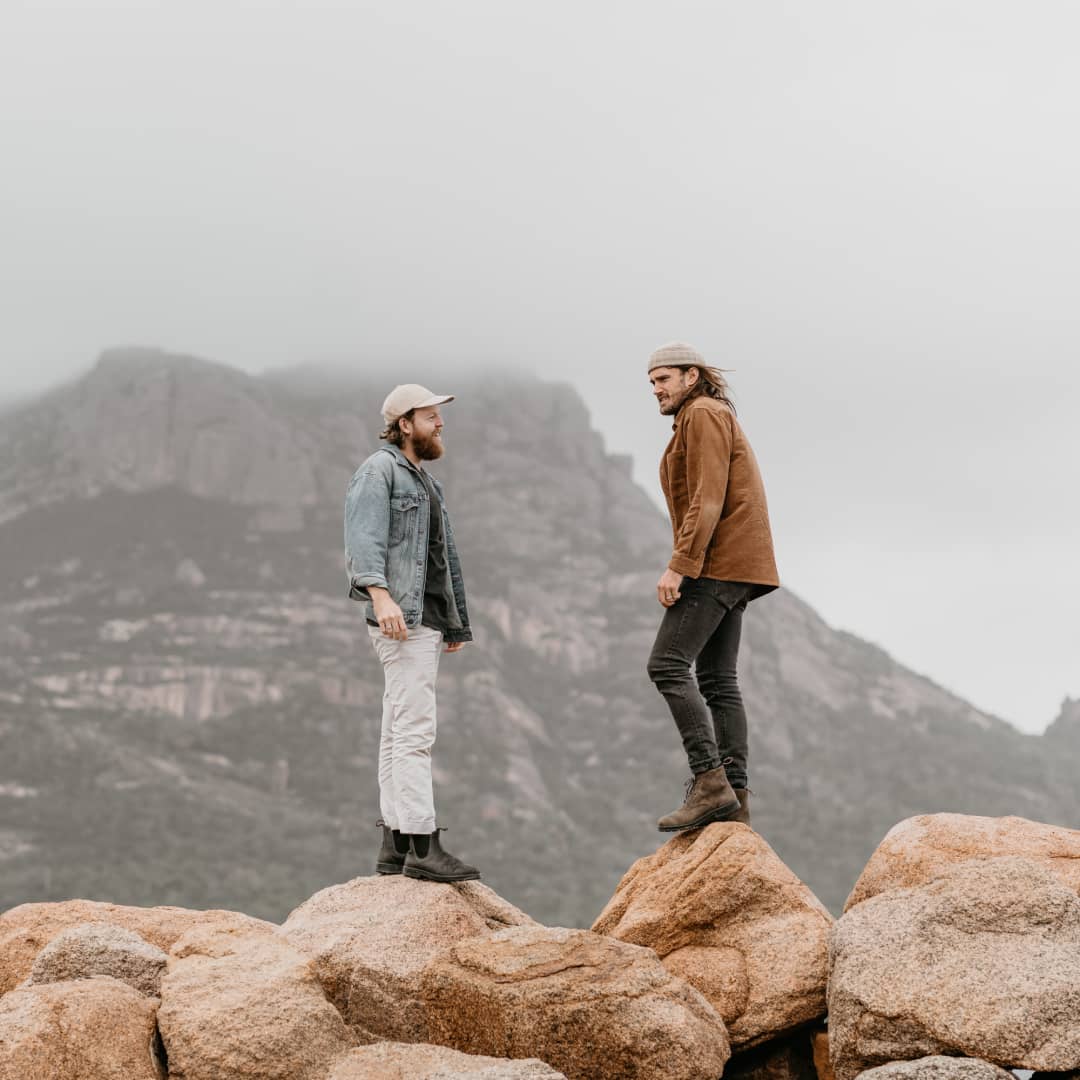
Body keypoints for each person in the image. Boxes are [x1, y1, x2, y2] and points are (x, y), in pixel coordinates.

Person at [344, 383, 479, 882]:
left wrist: (453, 621)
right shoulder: (377, 471)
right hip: (401, 620)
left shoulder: (424, 481)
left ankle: (395, 845)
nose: (440, 423)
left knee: (397, 728)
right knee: (415, 730)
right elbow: (362, 541)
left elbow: (439, 559)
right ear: (405, 423)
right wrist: (380, 598)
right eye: (430, 416)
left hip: (424, 620)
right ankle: (424, 845)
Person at [646, 342, 779, 832]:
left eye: (663, 379)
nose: (656, 390)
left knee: (666, 665)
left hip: (718, 562)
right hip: (740, 564)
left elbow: (707, 496)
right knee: (719, 680)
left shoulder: (702, 412)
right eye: (652, 382)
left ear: (690, 375)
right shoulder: (703, 415)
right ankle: (735, 800)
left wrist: (680, 565)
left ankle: (710, 781)